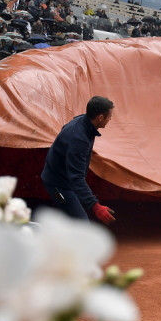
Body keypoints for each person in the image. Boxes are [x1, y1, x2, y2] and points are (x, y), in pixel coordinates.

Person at [40, 96, 116, 225]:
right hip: (56, 188)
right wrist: (95, 206)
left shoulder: (83, 121)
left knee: (71, 215)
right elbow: (76, 177)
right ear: (100, 118)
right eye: (109, 116)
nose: (110, 119)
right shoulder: (79, 139)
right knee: (81, 222)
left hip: (62, 181)